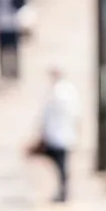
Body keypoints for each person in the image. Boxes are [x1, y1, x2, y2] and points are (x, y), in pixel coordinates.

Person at [31, 67, 78, 203]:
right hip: (61, 134)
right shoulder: (67, 91)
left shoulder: (58, 93)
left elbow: (49, 116)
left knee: (60, 165)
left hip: (58, 135)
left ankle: (63, 192)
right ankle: (63, 191)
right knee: (60, 166)